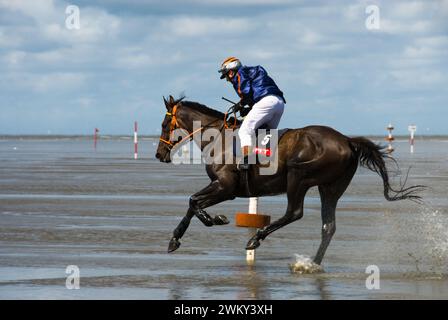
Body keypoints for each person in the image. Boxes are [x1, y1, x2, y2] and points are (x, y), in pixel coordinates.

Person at [218, 57, 286, 170]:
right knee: (264, 135)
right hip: (279, 103)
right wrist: (248, 107)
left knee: (244, 131)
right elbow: (256, 94)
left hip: (266, 102)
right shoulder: (251, 72)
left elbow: (246, 91)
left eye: (226, 76)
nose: (227, 80)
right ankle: (268, 163)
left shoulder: (240, 74)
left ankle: (247, 160)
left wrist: (240, 104)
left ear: (230, 72)